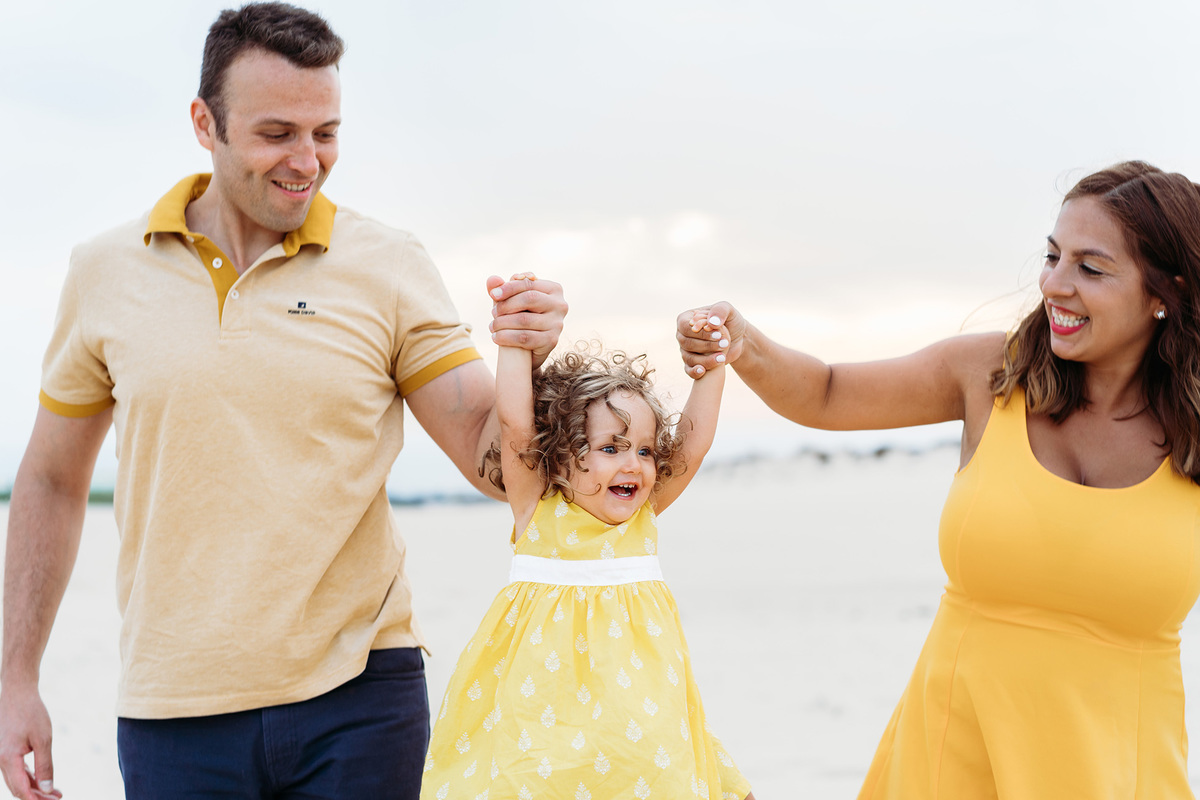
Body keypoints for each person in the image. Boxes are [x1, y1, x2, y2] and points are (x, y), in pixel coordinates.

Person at [0, 5, 566, 800]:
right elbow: (54, 481)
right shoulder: (103, 272)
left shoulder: (389, 264)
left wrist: (521, 355)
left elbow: (490, 453)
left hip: (363, 695)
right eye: (277, 134)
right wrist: (14, 678)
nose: (307, 160)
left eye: (326, 132)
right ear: (206, 123)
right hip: (174, 708)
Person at [677, 161, 1200, 798]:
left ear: (1164, 294)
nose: (1054, 285)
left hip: (1120, 776)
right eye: (1052, 256)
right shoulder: (988, 374)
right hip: (946, 765)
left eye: (1090, 269)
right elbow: (827, 393)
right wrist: (744, 344)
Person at [419, 282, 754, 799]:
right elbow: (513, 421)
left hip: (640, 733)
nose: (633, 465)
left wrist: (712, 362)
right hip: (544, 728)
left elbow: (694, 440)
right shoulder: (536, 508)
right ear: (559, 456)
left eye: (644, 450)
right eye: (610, 447)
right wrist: (513, 343)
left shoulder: (642, 515)